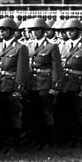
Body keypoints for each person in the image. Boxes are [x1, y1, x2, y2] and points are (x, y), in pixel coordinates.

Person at [24, 17, 63, 150]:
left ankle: (47, 140)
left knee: (46, 113)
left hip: (45, 84)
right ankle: (36, 139)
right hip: (31, 84)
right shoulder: (28, 46)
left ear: (43, 30)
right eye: (32, 30)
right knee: (34, 113)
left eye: (37, 29)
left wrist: (55, 86)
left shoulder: (52, 46)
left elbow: (56, 68)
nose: (34, 32)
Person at [0, 18, 29, 153]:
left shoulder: (20, 48)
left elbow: (22, 70)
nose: (1, 32)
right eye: (0, 30)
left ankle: (13, 143)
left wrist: (18, 88)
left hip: (10, 85)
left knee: (12, 117)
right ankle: (2, 142)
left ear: (12, 31)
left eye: (4, 30)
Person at [58, 18, 82, 146]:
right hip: (64, 84)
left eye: (72, 30)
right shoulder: (63, 46)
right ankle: (67, 138)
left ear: (79, 31)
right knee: (65, 113)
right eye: (67, 31)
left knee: (78, 114)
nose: (69, 33)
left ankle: (78, 139)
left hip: (77, 84)